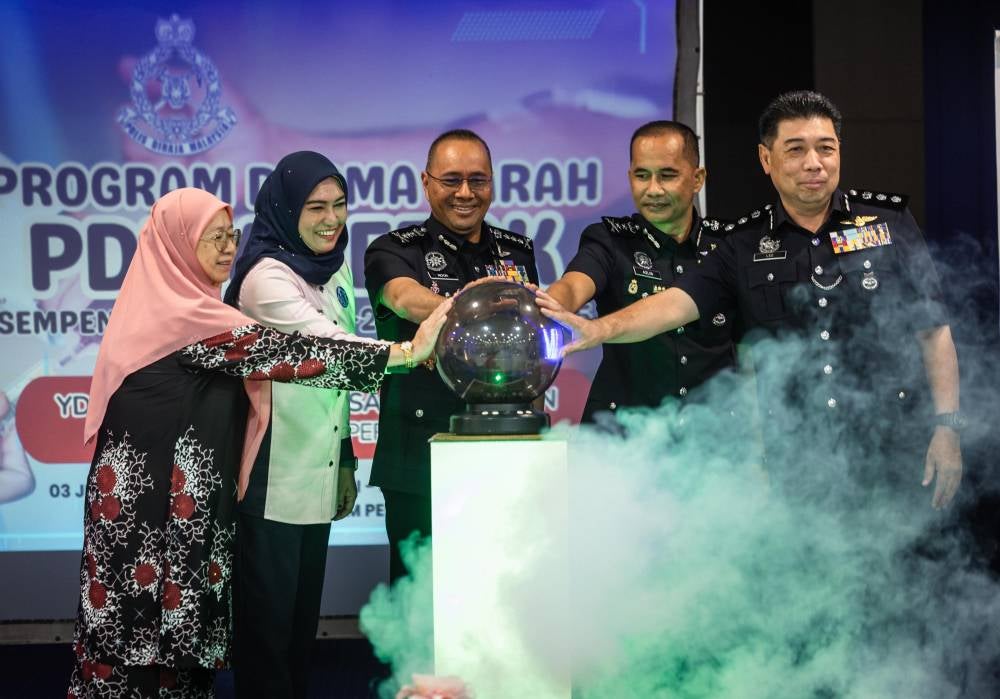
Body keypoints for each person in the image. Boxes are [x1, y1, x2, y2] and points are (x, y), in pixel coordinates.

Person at [69, 188, 449, 698]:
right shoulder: (185, 321)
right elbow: (292, 354)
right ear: (176, 244)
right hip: (149, 517)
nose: (229, 248)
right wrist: (405, 353)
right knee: (135, 655)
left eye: (231, 235)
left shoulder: (184, 309)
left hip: (179, 510)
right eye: (213, 238)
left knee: (176, 660)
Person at [538, 91, 962, 510]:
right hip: (798, 463)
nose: (813, 163)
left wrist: (948, 427)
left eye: (825, 148)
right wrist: (599, 328)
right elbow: (675, 304)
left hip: (892, 446)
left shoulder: (888, 223)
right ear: (766, 159)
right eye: (795, 150)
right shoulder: (744, 244)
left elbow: (934, 331)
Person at [223, 151, 384, 698]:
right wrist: (413, 351)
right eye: (316, 207)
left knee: (298, 632)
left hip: (319, 466)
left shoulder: (333, 264)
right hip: (271, 478)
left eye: (340, 204)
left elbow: (333, 386)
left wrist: (346, 460)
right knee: (266, 639)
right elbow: (332, 350)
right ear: (287, 210)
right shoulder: (265, 278)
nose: (331, 219)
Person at [364, 129, 540, 581]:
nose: (465, 193)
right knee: (418, 596)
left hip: (502, 448)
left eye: (478, 180)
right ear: (426, 183)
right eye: (451, 180)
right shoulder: (394, 249)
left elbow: (532, 348)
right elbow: (404, 299)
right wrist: (476, 312)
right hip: (418, 453)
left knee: (501, 587)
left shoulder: (517, 252)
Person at [545, 120, 735, 422]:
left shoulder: (728, 245)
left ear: (697, 179)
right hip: (622, 432)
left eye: (667, 175)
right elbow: (573, 285)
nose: (653, 190)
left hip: (710, 434)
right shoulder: (609, 239)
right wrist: (548, 307)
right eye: (642, 175)